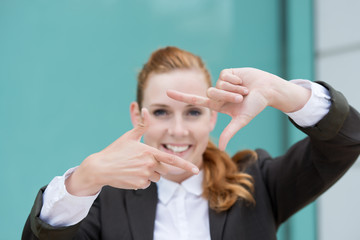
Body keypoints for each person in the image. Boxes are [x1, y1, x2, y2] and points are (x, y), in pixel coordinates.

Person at [22, 46, 360, 240]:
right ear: (136, 115)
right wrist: (83, 179)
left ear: (214, 116)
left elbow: (346, 143)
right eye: (161, 112)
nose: (178, 130)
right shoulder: (103, 201)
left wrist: (284, 94)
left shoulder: (257, 182)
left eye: (194, 112)